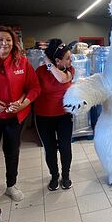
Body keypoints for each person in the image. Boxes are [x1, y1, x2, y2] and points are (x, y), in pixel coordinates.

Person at [0, 26, 40, 201]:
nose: (4, 43)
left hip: (15, 117)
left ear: (14, 43)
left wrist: (22, 103)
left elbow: (34, 88)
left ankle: (11, 186)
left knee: (12, 152)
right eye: (0, 40)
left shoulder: (22, 62)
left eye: (8, 40)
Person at [34, 39, 74, 191]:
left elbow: (62, 79)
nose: (71, 60)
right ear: (58, 60)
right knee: (50, 148)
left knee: (65, 147)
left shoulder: (70, 70)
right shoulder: (40, 72)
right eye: (68, 58)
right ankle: (54, 176)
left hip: (64, 116)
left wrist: (49, 63)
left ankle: (65, 176)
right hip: (43, 116)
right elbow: (33, 89)